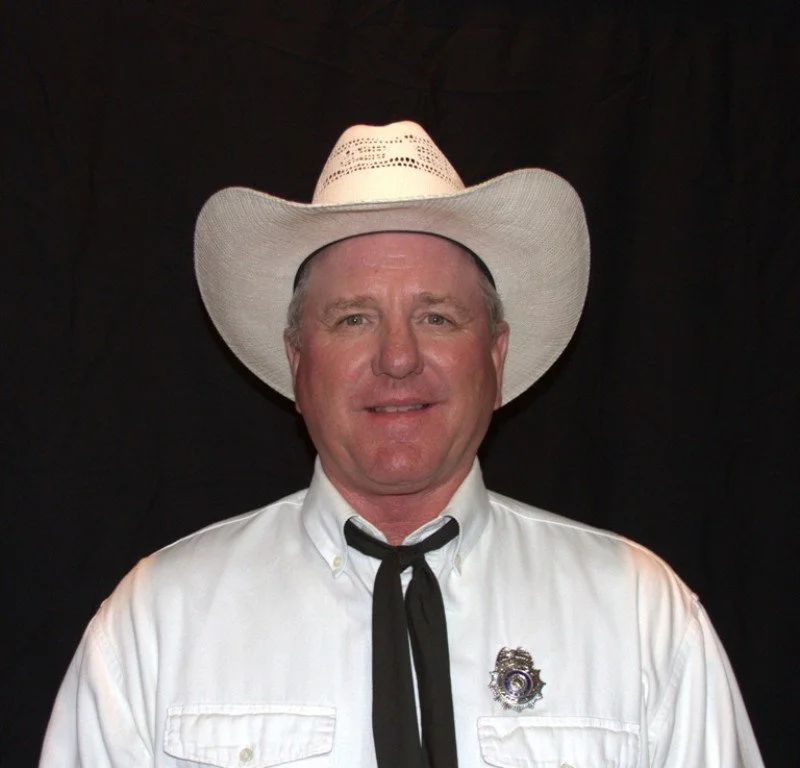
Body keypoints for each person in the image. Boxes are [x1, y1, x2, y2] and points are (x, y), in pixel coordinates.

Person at [39, 121, 764, 768]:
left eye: (437, 318)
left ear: (496, 357)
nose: (396, 358)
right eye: (353, 319)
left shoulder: (641, 620)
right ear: (297, 362)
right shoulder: (156, 627)